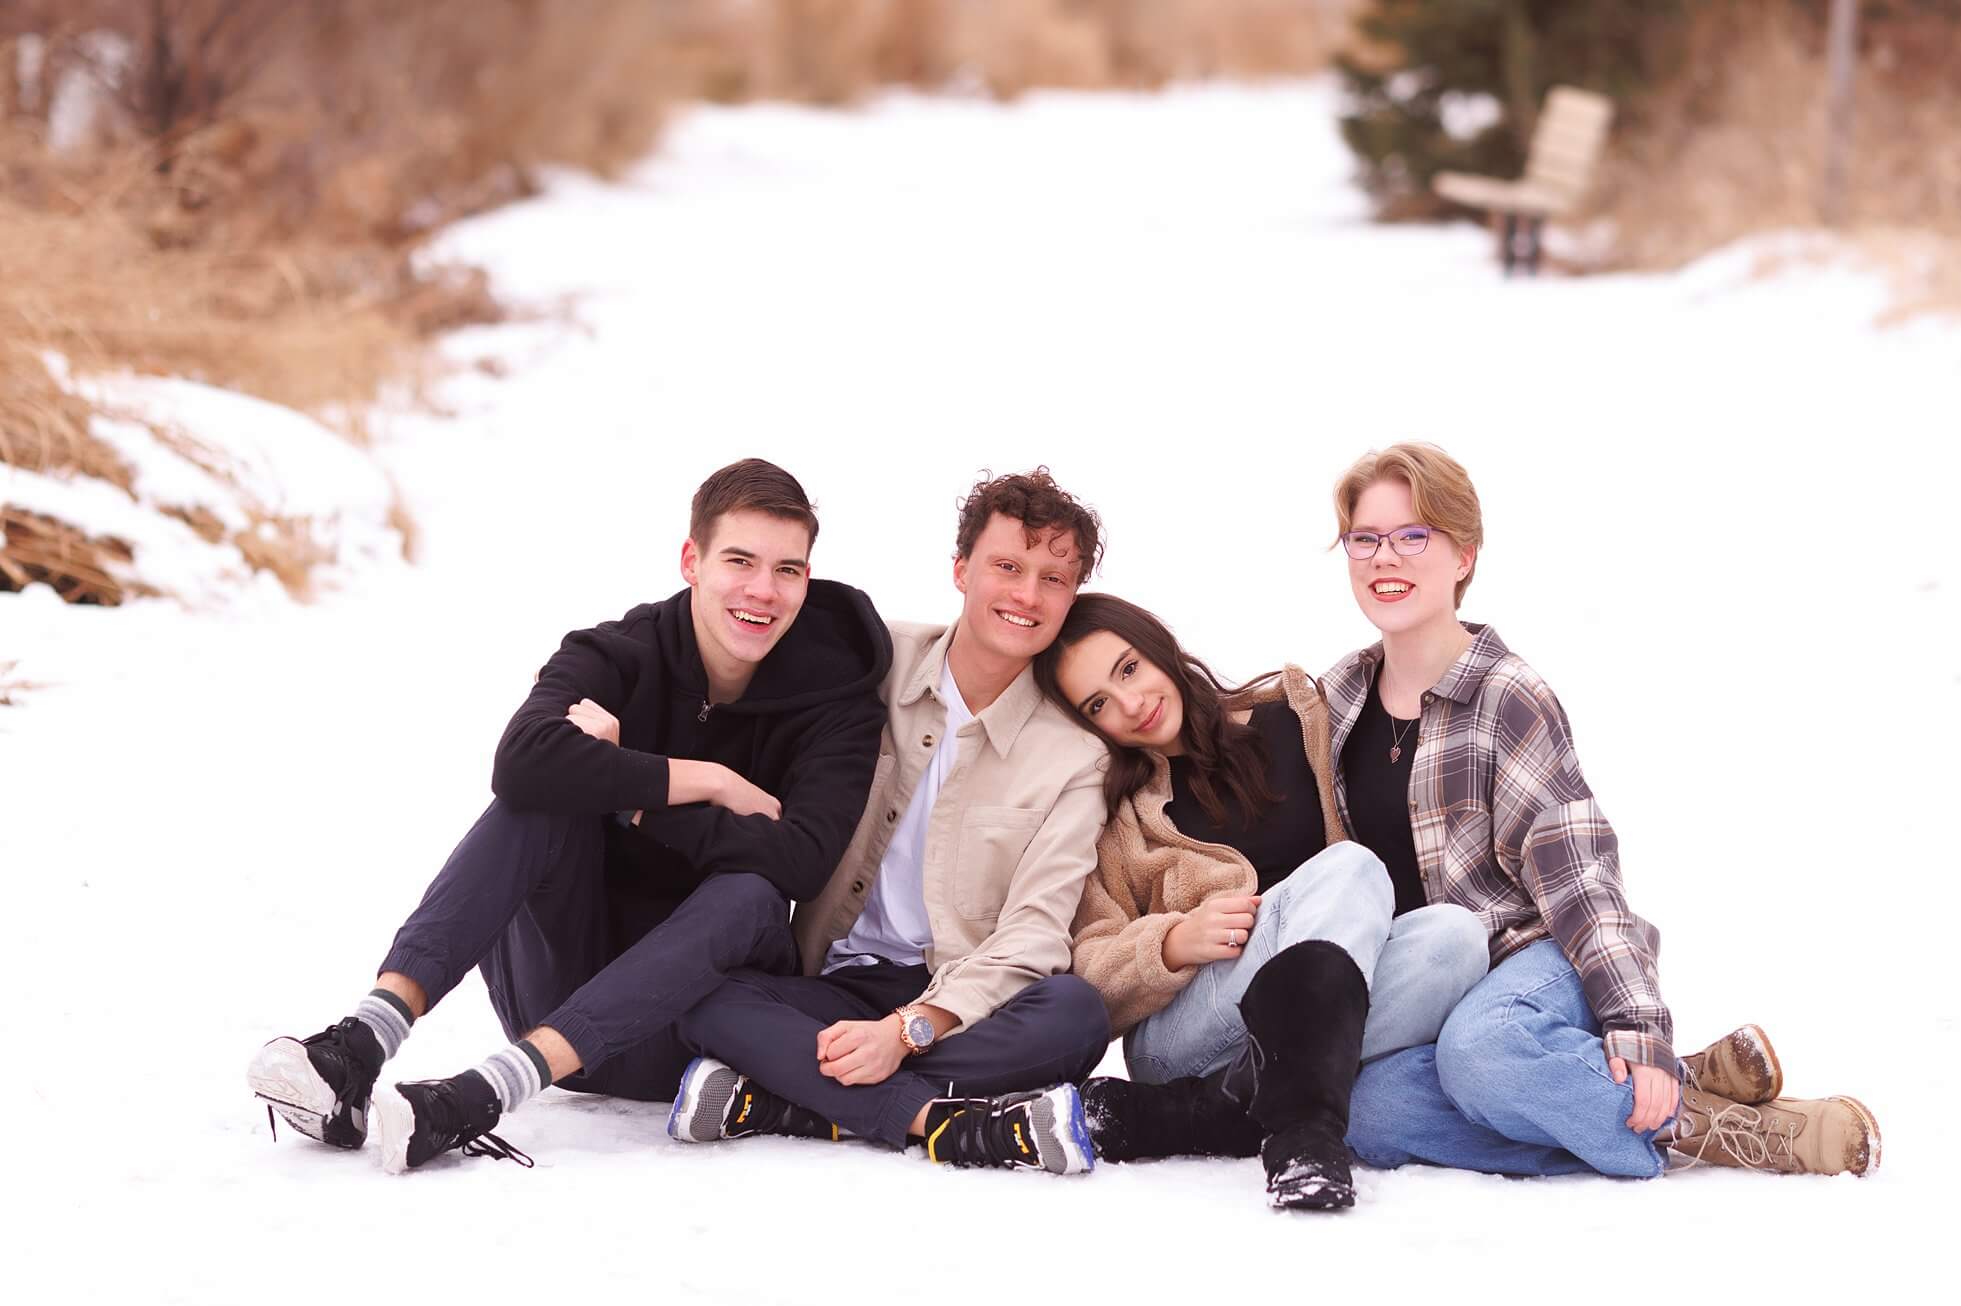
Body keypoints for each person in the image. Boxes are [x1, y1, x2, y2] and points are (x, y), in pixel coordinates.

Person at [247, 459, 891, 1173]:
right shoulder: (619, 651)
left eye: (787, 570)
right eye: (739, 560)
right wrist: (701, 781)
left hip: (693, 1027)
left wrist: (635, 802)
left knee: (753, 892)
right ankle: (360, 1044)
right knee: (536, 804)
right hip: (556, 994)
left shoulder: (839, 698)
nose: (762, 591)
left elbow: (802, 858)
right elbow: (520, 760)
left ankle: (480, 1094)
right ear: (691, 561)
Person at [1329, 442, 1880, 1178]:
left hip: (1534, 956)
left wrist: (1636, 1023)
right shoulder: (1334, 700)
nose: (1383, 559)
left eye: (1411, 536)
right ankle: (1671, 1095)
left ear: (1463, 555)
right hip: (1435, 988)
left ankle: (1690, 1126)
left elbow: (1577, 872)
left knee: (1481, 1053)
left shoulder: (1507, 695)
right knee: (1368, 1108)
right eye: (1365, 539)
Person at [665, 469, 1115, 1175]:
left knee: (1076, 1014)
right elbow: (729, 647)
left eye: (1054, 579)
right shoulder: (872, 660)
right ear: (961, 570)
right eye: (1007, 566)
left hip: (956, 998)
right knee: (702, 994)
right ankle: (939, 1123)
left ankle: (788, 1102)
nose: (1028, 595)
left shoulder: (1075, 756)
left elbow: (1035, 931)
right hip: (831, 983)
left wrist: (907, 1032)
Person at [1031, 593, 1491, 1209]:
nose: (1131, 704)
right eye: (1098, 705)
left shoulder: (1299, 717)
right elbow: (1088, 965)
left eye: (1128, 669)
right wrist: (1168, 943)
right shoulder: (1117, 814)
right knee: (1352, 868)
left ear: (1159, 647)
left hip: (1300, 1008)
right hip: (1186, 1034)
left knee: (1457, 938)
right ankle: (1303, 1133)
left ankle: (1223, 1109)